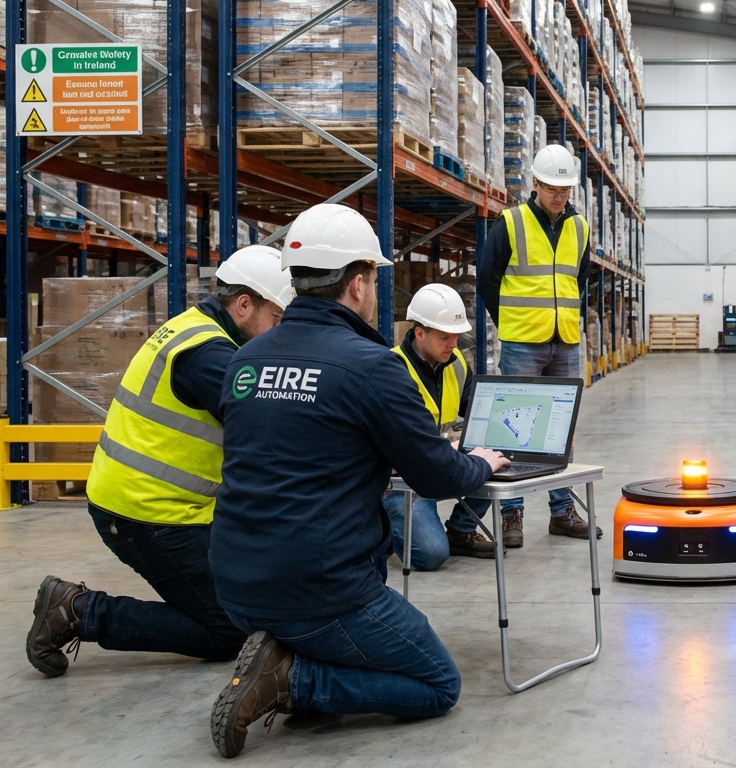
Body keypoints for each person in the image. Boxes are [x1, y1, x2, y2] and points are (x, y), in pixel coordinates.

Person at [205, 204, 508, 758]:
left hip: (233, 583)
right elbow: (437, 476)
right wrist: (482, 462)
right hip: (317, 590)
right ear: (357, 283)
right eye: (370, 277)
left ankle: (284, 655)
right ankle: (291, 680)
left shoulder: (245, 360)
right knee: (440, 684)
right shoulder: (372, 365)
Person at [26, 246, 293, 678]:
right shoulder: (210, 357)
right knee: (228, 631)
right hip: (146, 516)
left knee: (250, 595)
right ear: (244, 305)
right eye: (277, 321)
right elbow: (270, 425)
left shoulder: (195, 329)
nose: (279, 334)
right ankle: (78, 611)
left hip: (164, 506)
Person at [471, 142, 599, 543]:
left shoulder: (580, 227)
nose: (559, 198)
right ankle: (512, 515)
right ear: (536, 184)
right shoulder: (510, 223)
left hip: (565, 341)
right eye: (552, 190)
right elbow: (487, 281)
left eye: (565, 191)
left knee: (561, 430)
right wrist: (511, 321)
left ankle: (562, 511)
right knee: (515, 431)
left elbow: (581, 280)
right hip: (522, 341)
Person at [384, 283, 481, 567]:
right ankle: (382, 527)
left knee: (494, 458)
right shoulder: (391, 369)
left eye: (455, 336)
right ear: (420, 333)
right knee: (431, 555)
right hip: (400, 481)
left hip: (437, 465)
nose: (452, 345)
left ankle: (461, 530)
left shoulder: (457, 363)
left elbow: (475, 412)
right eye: (444, 337)